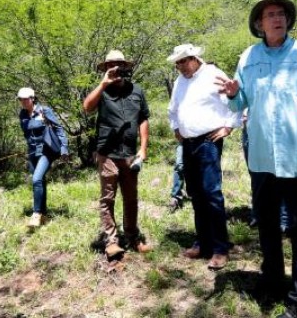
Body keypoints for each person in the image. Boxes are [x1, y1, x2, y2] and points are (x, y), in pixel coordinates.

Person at [215, 0, 297, 318]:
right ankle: (271, 282)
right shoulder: (248, 56)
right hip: (262, 157)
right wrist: (230, 92)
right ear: (258, 24)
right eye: (270, 15)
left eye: (281, 14)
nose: (277, 18)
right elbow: (241, 100)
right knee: (267, 224)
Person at [167, 43, 240, 270]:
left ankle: (220, 248)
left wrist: (228, 126)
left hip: (209, 141)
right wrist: (176, 127)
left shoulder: (213, 74)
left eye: (183, 61)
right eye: (177, 62)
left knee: (211, 193)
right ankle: (203, 242)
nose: (179, 66)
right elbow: (173, 108)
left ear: (195, 58)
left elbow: (236, 102)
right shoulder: (180, 81)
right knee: (195, 193)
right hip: (188, 143)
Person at [83, 50, 152, 259]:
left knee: (131, 198)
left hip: (130, 154)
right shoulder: (101, 91)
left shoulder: (137, 91)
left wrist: (143, 148)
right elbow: (87, 108)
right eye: (110, 65)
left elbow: (143, 119)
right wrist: (103, 83)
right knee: (108, 198)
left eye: (119, 65)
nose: (115, 69)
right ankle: (111, 240)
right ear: (105, 69)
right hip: (107, 154)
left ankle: (132, 236)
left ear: (126, 67)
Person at [17, 87, 69, 228]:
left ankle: (36, 213)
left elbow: (58, 128)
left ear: (33, 98)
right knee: (40, 182)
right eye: (20, 99)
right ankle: (44, 216)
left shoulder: (44, 111)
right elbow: (26, 132)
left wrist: (64, 147)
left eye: (25, 98)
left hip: (46, 150)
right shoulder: (22, 114)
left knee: (36, 179)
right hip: (32, 152)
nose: (23, 101)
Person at [168, 143, 188, 212]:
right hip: (184, 140)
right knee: (179, 166)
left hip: (202, 140)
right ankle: (176, 197)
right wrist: (176, 131)